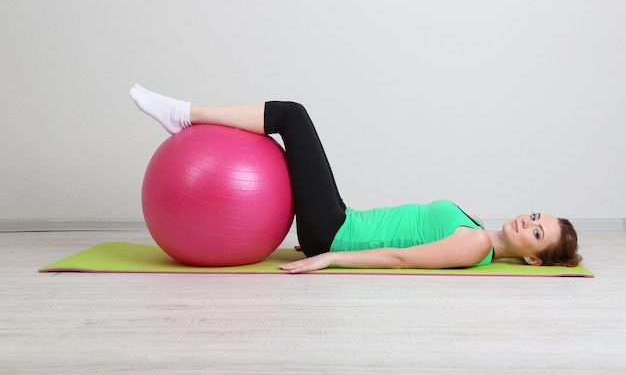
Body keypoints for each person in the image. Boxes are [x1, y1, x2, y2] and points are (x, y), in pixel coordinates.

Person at [130, 84, 582, 273]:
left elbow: (402, 259)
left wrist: (328, 259)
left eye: (538, 233)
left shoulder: (477, 245)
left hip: (336, 233)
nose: (528, 222)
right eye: (536, 216)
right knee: (291, 139)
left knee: (293, 116)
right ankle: (184, 116)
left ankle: (183, 115)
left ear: (533, 259)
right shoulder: (477, 229)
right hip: (338, 225)